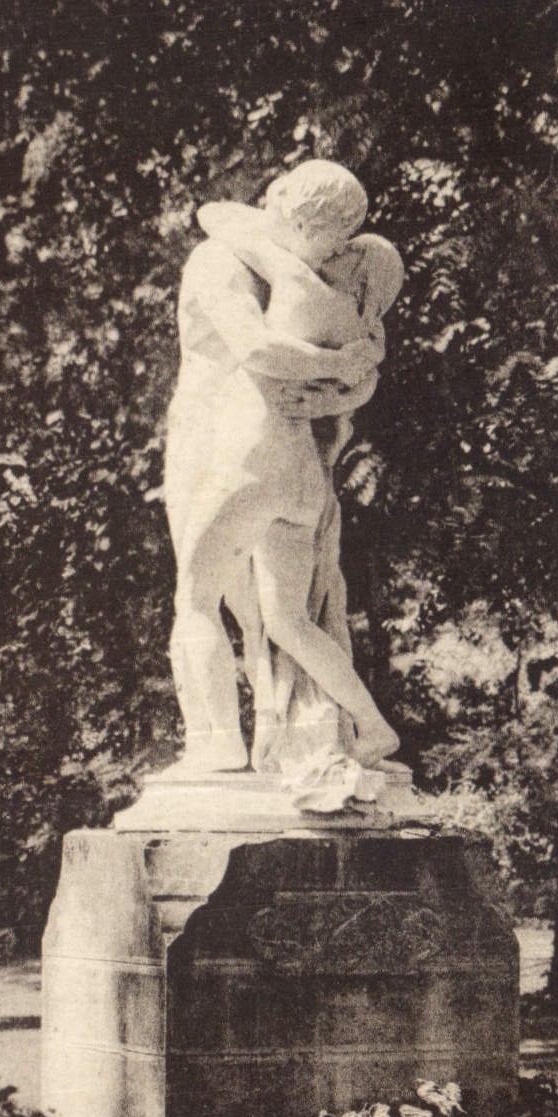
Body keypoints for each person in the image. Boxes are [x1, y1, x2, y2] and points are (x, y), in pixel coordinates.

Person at [163, 161, 400, 776]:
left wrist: (344, 376)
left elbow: (260, 347)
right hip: (299, 471)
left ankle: (216, 744)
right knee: (287, 620)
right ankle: (367, 726)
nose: (331, 252)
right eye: (329, 238)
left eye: (338, 244)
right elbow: (357, 378)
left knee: (196, 597)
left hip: (235, 452)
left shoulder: (250, 265)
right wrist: (350, 372)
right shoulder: (336, 301)